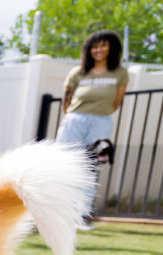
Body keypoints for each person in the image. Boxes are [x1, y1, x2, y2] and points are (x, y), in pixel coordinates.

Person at [57, 30, 128, 223]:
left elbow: (116, 103)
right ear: (89, 49)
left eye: (103, 45)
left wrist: (98, 115)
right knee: (66, 163)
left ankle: (82, 212)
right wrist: (75, 115)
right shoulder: (78, 72)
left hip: (101, 121)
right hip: (75, 120)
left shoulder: (120, 73)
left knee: (90, 166)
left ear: (112, 48)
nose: (99, 49)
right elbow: (67, 100)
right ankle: (59, 209)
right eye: (95, 46)